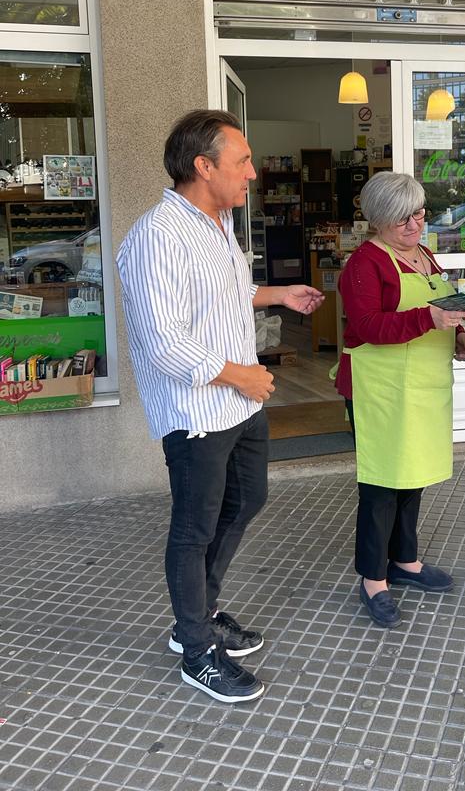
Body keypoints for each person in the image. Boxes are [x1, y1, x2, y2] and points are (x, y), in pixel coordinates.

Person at [117, 110, 323, 703]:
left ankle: (202, 612)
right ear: (203, 166)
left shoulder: (218, 222)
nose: (253, 173)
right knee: (194, 528)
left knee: (248, 499)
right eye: (243, 161)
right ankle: (196, 650)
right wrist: (243, 376)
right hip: (197, 411)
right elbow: (164, 342)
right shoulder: (157, 236)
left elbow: (228, 291)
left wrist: (279, 294)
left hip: (239, 403)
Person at [335, 172, 465, 629]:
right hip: (380, 389)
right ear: (378, 220)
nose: (414, 225)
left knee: (411, 477)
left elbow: (441, 305)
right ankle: (373, 579)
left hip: (421, 385)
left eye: (418, 214)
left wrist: (458, 332)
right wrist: (428, 320)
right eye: (402, 219)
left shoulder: (424, 255)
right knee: (381, 485)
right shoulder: (365, 264)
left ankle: (405, 560)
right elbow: (368, 327)